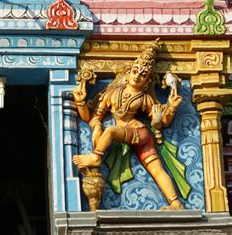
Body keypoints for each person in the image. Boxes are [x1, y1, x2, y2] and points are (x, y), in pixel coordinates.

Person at [72, 40, 184, 210]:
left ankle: (96, 157)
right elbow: (93, 117)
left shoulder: (144, 98)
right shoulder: (111, 93)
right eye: (135, 71)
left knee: (110, 131)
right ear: (127, 73)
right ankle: (175, 202)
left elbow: (163, 122)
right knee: (156, 169)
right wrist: (82, 105)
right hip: (131, 136)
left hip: (140, 133)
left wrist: (172, 108)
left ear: (147, 82)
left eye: (143, 74)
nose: (137, 76)